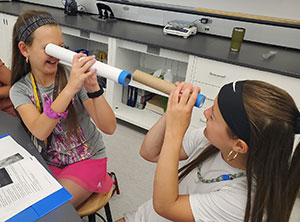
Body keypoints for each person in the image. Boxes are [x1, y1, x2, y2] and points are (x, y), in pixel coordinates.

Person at [117, 80, 300, 222]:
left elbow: (165, 206)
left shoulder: (243, 201)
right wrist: (172, 109)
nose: (205, 113)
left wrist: (175, 130)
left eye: (213, 115)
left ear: (239, 146)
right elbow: (150, 152)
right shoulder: (211, 141)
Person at [9, 10, 117, 208]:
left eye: (60, 48)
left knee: (50, 209)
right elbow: (40, 130)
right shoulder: (20, 90)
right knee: (20, 203)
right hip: (49, 160)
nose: (55, 56)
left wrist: (93, 88)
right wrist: (70, 88)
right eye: (48, 49)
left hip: (87, 159)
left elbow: (109, 127)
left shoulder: (71, 77)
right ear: (25, 50)